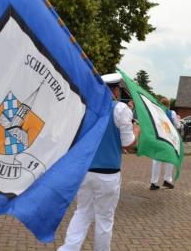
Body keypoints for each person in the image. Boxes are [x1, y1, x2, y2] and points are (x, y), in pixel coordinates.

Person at [59, 73, 139, 251]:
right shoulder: (120, 108)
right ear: (115, 90)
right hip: (108, 174)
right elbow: (128, 143)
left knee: (82, 213)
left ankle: (68, 249)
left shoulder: (85, 108)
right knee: (104, 219)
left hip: (85, 171)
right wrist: (137, 130)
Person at [150, 98, 179, 190]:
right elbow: (177, 125)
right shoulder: (172, 113)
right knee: (170, 160)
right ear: (168, 105)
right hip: (169, 140)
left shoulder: (155, 112)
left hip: (158, 139)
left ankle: (154, 183)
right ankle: (167, 180)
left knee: (156, 161)